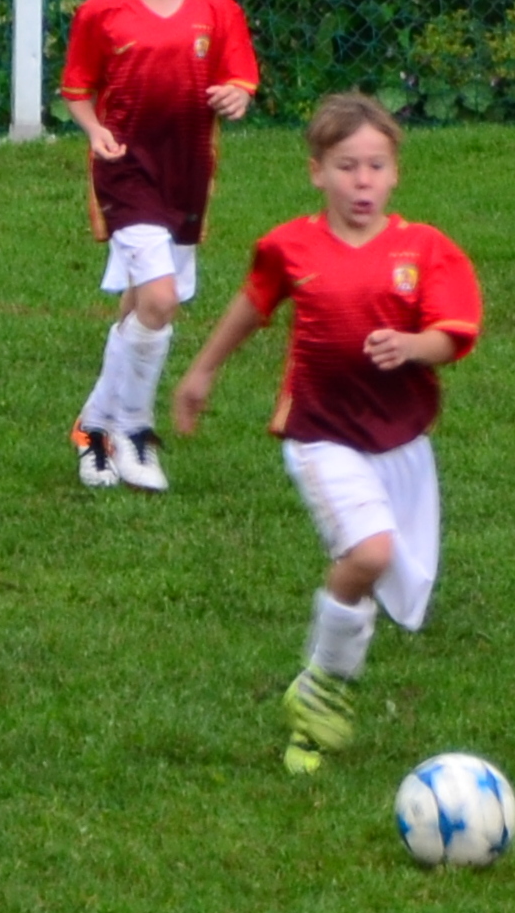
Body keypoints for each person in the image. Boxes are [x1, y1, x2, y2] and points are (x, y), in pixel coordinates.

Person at [171, 95, 481, 774]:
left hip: (402, 444)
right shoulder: (291, 246)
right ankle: (321, 693)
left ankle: (322, 687)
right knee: (368, 553)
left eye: (376, 166)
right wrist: (202, 371)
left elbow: (454, 332)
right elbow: (253, 304)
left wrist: (413, 345)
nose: (362, 181)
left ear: (395, 173)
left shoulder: (424, 250)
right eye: (346, 166)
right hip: (320, 436)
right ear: (316, 171)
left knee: (388, 577)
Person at [59, 0, 258, 491]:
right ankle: (136, 430)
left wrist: (236, 96)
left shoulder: (216, 9)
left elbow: (240, 81)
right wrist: (94, 130)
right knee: (162, 300)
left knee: (141, 303)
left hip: (187, 171)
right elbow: (76, 89)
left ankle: (94, 429)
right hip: (125, 169)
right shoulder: (101, 12)